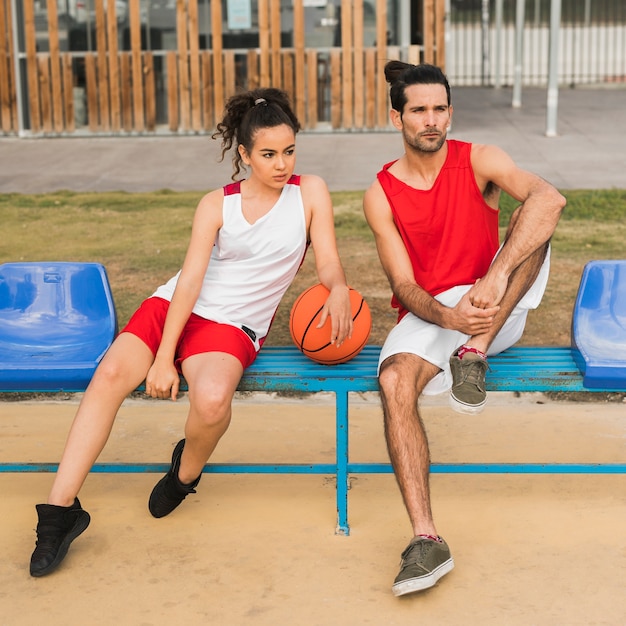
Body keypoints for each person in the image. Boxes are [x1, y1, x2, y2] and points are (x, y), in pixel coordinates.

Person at [29, 87, 353, 577]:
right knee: (112, 372)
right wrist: (162, 358)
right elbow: (192, 280)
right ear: (244, 154)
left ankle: (184, 475)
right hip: (175, 307)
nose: (281, 163)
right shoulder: (215, 205)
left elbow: (326, 257)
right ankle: (59, 512)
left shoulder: (310, 194)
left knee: (211, 402)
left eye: (289, 151)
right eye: (268, 154)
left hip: (232, 325)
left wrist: (338, 285)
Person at [363, 61, 565, 597]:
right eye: (418, 111)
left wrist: (493, 281)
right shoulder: (381, 191)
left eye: (439, 109)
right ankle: (426, 538)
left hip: (494, 309)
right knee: (394, 381)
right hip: (434, 313)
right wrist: (449, 317)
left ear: (450, 112)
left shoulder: (480, 159)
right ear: (397, 117)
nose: (431, 121)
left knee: (537, 220)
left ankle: (474, 356)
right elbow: (403, 286)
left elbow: (550, 199)